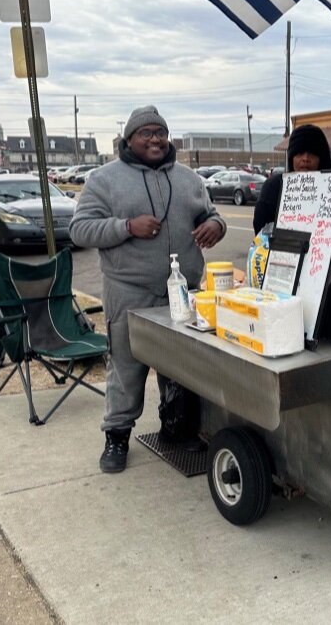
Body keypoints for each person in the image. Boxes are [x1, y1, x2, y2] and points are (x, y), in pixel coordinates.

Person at [69, 105, 226, 473]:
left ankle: (175, 428)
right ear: (129, 139)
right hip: (130, 292)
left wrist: (216, 226)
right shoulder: (103, 180)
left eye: (161, 132)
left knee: (183, 367)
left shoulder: (189, 179)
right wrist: (127, 227)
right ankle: (117, 436)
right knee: (126, 367)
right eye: (146, 132)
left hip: (183, 292)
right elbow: (80, 229)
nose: (155, 138)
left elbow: (210, 215)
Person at [253, 124, 331, 233]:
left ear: (322, 159)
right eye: (299, 153)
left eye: (312, 154)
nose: (305, 159)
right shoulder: (273, 187)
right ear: (291, 158)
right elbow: (260, 229)